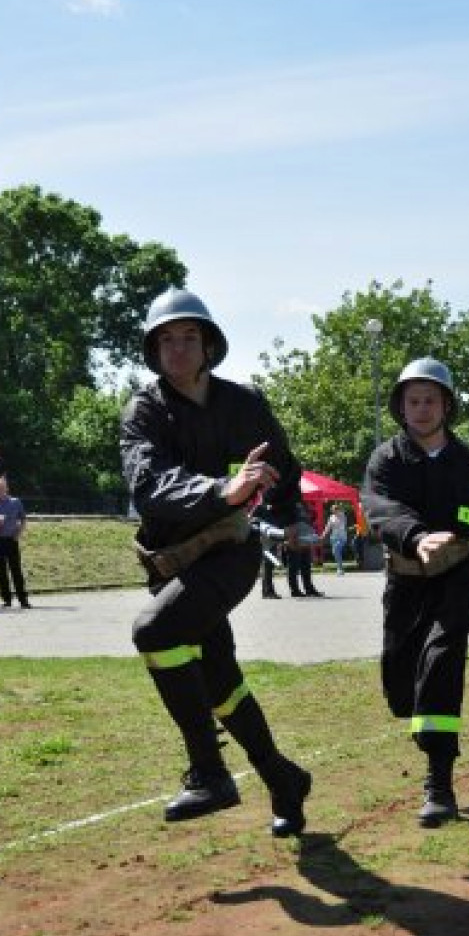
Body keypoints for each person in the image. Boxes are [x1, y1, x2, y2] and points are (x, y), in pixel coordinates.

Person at [121, 287, 312, 836]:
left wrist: (293, 515)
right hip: (174, 561)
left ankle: (209, 771)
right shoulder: (145, 410)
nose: (177, 349)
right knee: (220, 679)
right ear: (154, 351)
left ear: (209, 346)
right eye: (166, 340)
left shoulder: (245, 403)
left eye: (188, 338)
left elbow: (284, 472)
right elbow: (149, 485)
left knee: (155, 631)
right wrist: (223, 489)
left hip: (230, 551)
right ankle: (283, 778)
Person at [361, 357, 469, 828]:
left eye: (430, 400)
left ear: (446, 406)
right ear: (401, 408)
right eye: (413, 401)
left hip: (458, 578)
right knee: (402, 687)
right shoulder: (387, 458)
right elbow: (378, 505)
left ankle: (439, 783)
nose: (422, 409)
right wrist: (416, 536)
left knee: (443, 662)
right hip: (406, 579)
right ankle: (419, 717)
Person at [0, 477, 31, 608]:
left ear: (7, 488)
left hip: (11, 539)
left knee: (16, 570)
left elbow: (23, 519)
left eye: (2, 487)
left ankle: (23, 599)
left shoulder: (15, 502)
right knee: (1, 571)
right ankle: (6, 599)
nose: (0, 490)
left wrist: (18, 534)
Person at [321, 502, 348, 575]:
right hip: (334, 537)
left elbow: (343, 522)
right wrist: (323, 535)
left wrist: (340, 507)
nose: (334, 510)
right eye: (333, 509)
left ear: (338, 509)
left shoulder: (342, 516)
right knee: (335, 552)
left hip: (342, 537)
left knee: (336, 549)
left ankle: (339, 568)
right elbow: (328, 527)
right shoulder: (331, 517)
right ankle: (340, 568)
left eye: (335, 509)